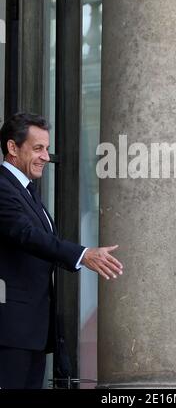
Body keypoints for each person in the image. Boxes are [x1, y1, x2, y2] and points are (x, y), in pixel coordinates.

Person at [0, 113, 123, 389]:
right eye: (38, 148)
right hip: (10, 332)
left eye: (46, 148)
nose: (46, 156)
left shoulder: (28, 191)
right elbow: (27, 235)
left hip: (31, 331)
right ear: (12, 148)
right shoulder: (3, 187)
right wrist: (82, 254)